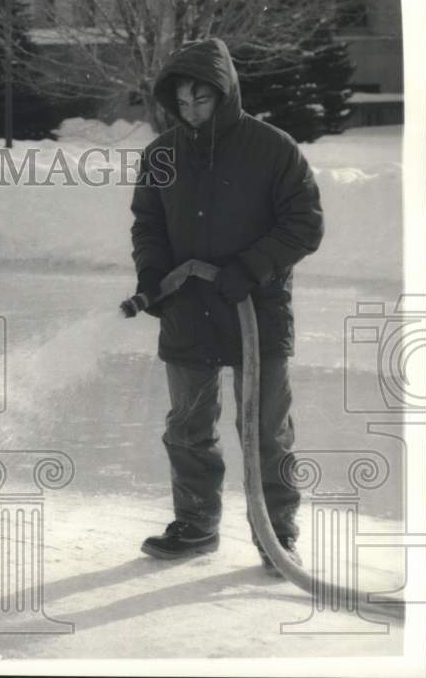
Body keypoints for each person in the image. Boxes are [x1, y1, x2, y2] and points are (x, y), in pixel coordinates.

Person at [129, 37, 324, 571]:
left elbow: (305, 225)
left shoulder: (272, 147)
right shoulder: (162, 153)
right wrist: (151, 273)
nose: (191, 112)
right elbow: (148, 222)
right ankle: (196, 526)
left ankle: (276, 535)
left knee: (265, 430)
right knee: (187, 428)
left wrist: (250, 267)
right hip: (187, 310)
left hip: (255, 310)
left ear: (225, 92)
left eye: (202, 99)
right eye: (182, 103)